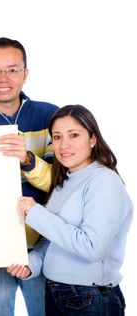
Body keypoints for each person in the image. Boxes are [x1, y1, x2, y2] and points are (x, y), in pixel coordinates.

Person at [0, 37, 59, 316]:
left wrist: (28, 160)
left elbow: (61, 185)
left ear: (25, 74)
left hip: (45, 246)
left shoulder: (51, 116)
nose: (3, 78)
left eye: (12, 69)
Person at [12, 104, 133, 315]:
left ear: (93, 139)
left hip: (91, 298)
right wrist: (31, 264)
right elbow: (53, 239)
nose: (64, 145)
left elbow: (91, 247)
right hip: (56, 292)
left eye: (74, 135)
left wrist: (36, 213)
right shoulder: (66, 180)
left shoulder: (104, 182)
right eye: (57, 137)